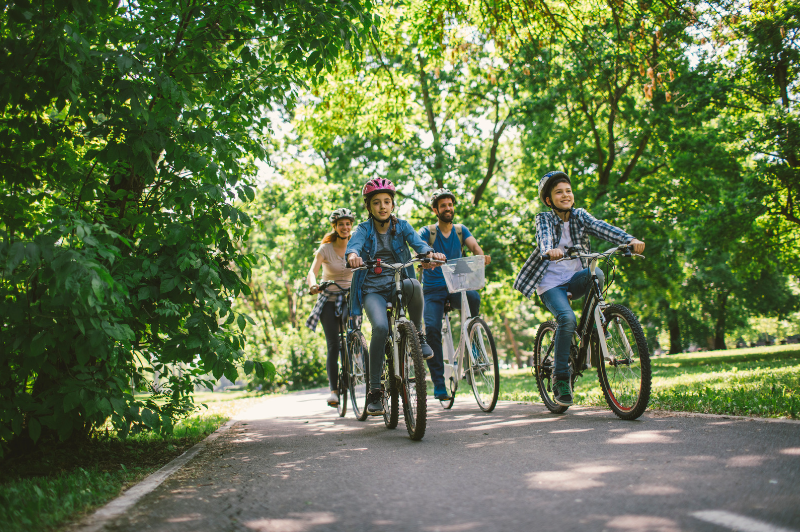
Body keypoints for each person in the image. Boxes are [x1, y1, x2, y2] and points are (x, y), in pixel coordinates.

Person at [513, 171, 645, 406]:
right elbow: (543, 238)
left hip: (575, 278)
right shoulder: (544, 219)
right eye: (558, 192)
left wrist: (629, 240)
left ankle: (596, 326)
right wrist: (550, 250)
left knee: (599, 273)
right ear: (548, 200)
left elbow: (603, 228)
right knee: (566, 318)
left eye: (568, 191)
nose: (565, 195)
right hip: (550, 283)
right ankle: (560, 377)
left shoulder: (580, 216)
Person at [346, 178, 446, 416]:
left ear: (393, 205)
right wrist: (353, 256)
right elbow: (354, 245)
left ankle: (418, 335)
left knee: (415, 285)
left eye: (387, 202)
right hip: (372, 290)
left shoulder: (401, 226)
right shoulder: (363, 229)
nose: (382, 206)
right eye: (377, 202)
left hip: (397, 283)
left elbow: (418, 243)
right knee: (380, 327)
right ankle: (375, 392)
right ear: (369, 207)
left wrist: (429, 254)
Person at [419, 189, 491, 401]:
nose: (448, 208)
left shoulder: (461, 230)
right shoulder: (428, 232)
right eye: (443, 205)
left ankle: (474, 348)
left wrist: (481, 257)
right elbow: (420, 250)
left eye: (450, 204)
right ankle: (439, 383)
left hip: (457, 285)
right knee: (431, 328)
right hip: (433, 290)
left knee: (474, 298)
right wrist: (427, 258)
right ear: (435, 210)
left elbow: (475, 247)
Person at [306, 208, 356, 407]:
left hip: (350, 297)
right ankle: (334, 391)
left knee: (352, 333)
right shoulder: (325, 249)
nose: (345, 227)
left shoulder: (356, 245)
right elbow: (312, 271)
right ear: (335, 227)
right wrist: (312, 285)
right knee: (333, 344)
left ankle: (356, 354)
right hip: (328, 298)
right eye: (341, 224)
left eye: (348, 223)